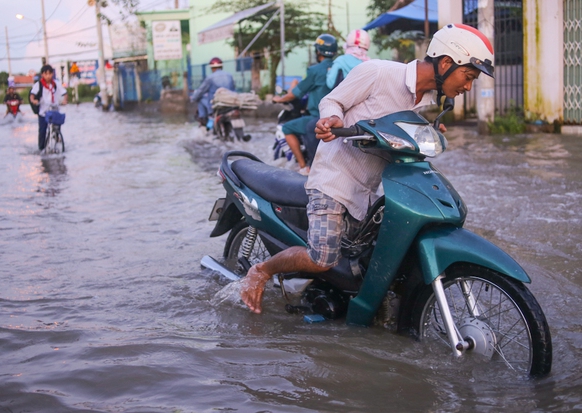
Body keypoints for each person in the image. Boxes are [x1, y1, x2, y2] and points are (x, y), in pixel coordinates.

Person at [240, 23, 495, 314]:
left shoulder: (425, 100)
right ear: (447, 63)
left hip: (368, 190)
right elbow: (332, 100)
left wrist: (425, 132)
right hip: (332, 181)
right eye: (469, 76)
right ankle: (261, 270)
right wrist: (331, 119)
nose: (468, 86)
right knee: (322, 257)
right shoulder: (379, 72)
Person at [272, 34, 337, 175]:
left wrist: (279, 99)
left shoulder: (315, 70)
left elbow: (295, 93)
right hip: (336, 117)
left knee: (287, 128)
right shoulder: (339, 68)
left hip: (317, 117)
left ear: (318, 51)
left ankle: (303, 167)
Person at [29, 64, 67, 151]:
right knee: (42, 131)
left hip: (54, 110)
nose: (48, 76)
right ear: (42, 74)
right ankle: (41, 149)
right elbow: (32, 95)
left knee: (57, 127)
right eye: (46, 74)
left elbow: (64, 93)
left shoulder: (56, 83)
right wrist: (33, 100)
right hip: (43, 111)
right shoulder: (38, 85)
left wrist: (64, 100)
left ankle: (57, 141)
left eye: (50, 74)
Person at [191, 57, 235, 130]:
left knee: (200, 99)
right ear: (221, 66)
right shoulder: (229, 75)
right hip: (230, 103)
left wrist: (193, 98)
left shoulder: (210, 77)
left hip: (215, 105)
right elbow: (233, 89)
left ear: (212, 68)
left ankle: (203, 119)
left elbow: (201, 90)